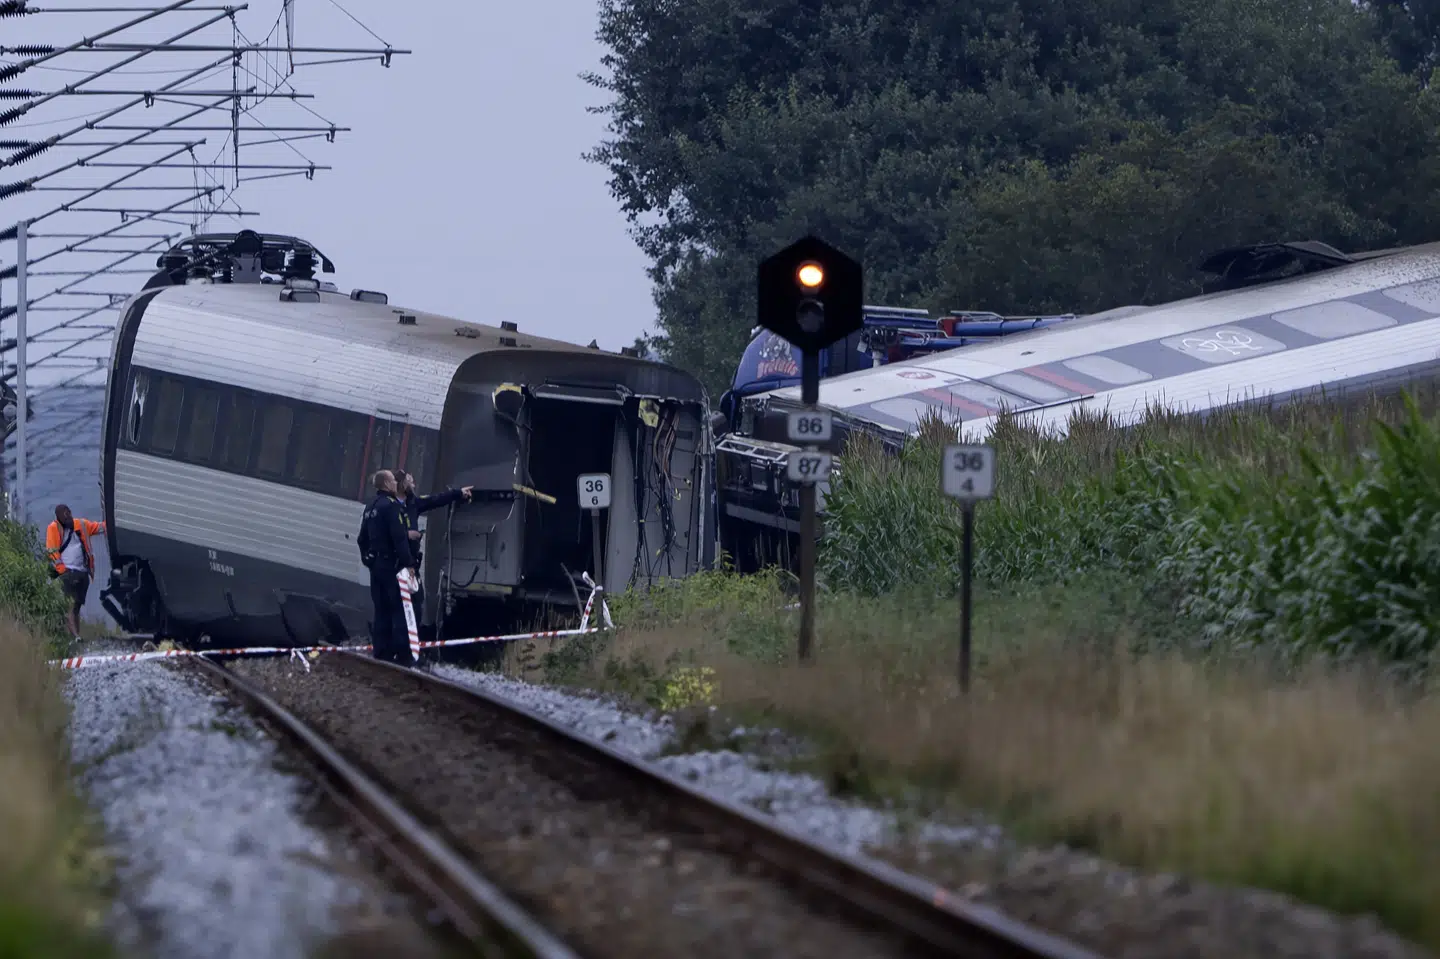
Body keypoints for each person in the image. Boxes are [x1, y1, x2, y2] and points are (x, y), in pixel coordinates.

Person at [392, 468, 473, 643]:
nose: (413, 483)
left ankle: (410, 648)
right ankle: (397, 648)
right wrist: (406, 534)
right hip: (395, 564)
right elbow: (383, 534)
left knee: (416, 605)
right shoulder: (389, 506)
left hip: (411, 565)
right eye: (410, 481)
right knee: (399, 607)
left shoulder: (412, 503)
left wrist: (457, 493)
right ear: (402, 484)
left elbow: (435, 500)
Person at [356, 469, 414, 666]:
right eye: (392, 480)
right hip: (391, 566)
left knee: (380, 609)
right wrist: (409, 564)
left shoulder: (370, 507)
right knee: (398, 609)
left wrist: (368, 559)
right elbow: (399, 538)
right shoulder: (391, 507)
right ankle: (402, 655)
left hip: (376, 567)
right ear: (387, 484)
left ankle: (381, 652)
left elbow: (361, 539)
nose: (396, 484)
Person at [45, 504, 106, 644]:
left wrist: (116, 521)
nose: (67, 516)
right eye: (63, 514)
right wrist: (63, 571)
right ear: (58, 517)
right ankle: (74, 636)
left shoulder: (82, 525)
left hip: (83, 573)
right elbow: (52, 552)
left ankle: (76, 637)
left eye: (68, 513)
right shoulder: (53, 528)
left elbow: (100, 527)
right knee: (70, 606)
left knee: (76, 606)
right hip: (68, 573)